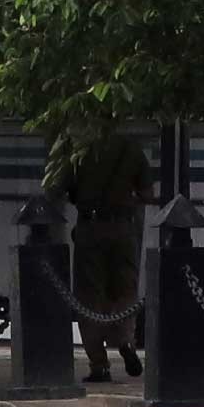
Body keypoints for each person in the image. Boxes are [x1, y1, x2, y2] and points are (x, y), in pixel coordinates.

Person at [55, 130, 150, 382]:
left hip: (90, 228)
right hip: (124, 229)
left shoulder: (80, 150)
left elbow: (59, 188)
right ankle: (126, 342)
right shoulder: (131, 148)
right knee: (125, 290)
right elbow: (147, 193)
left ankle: (99, 364)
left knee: (90, 295)